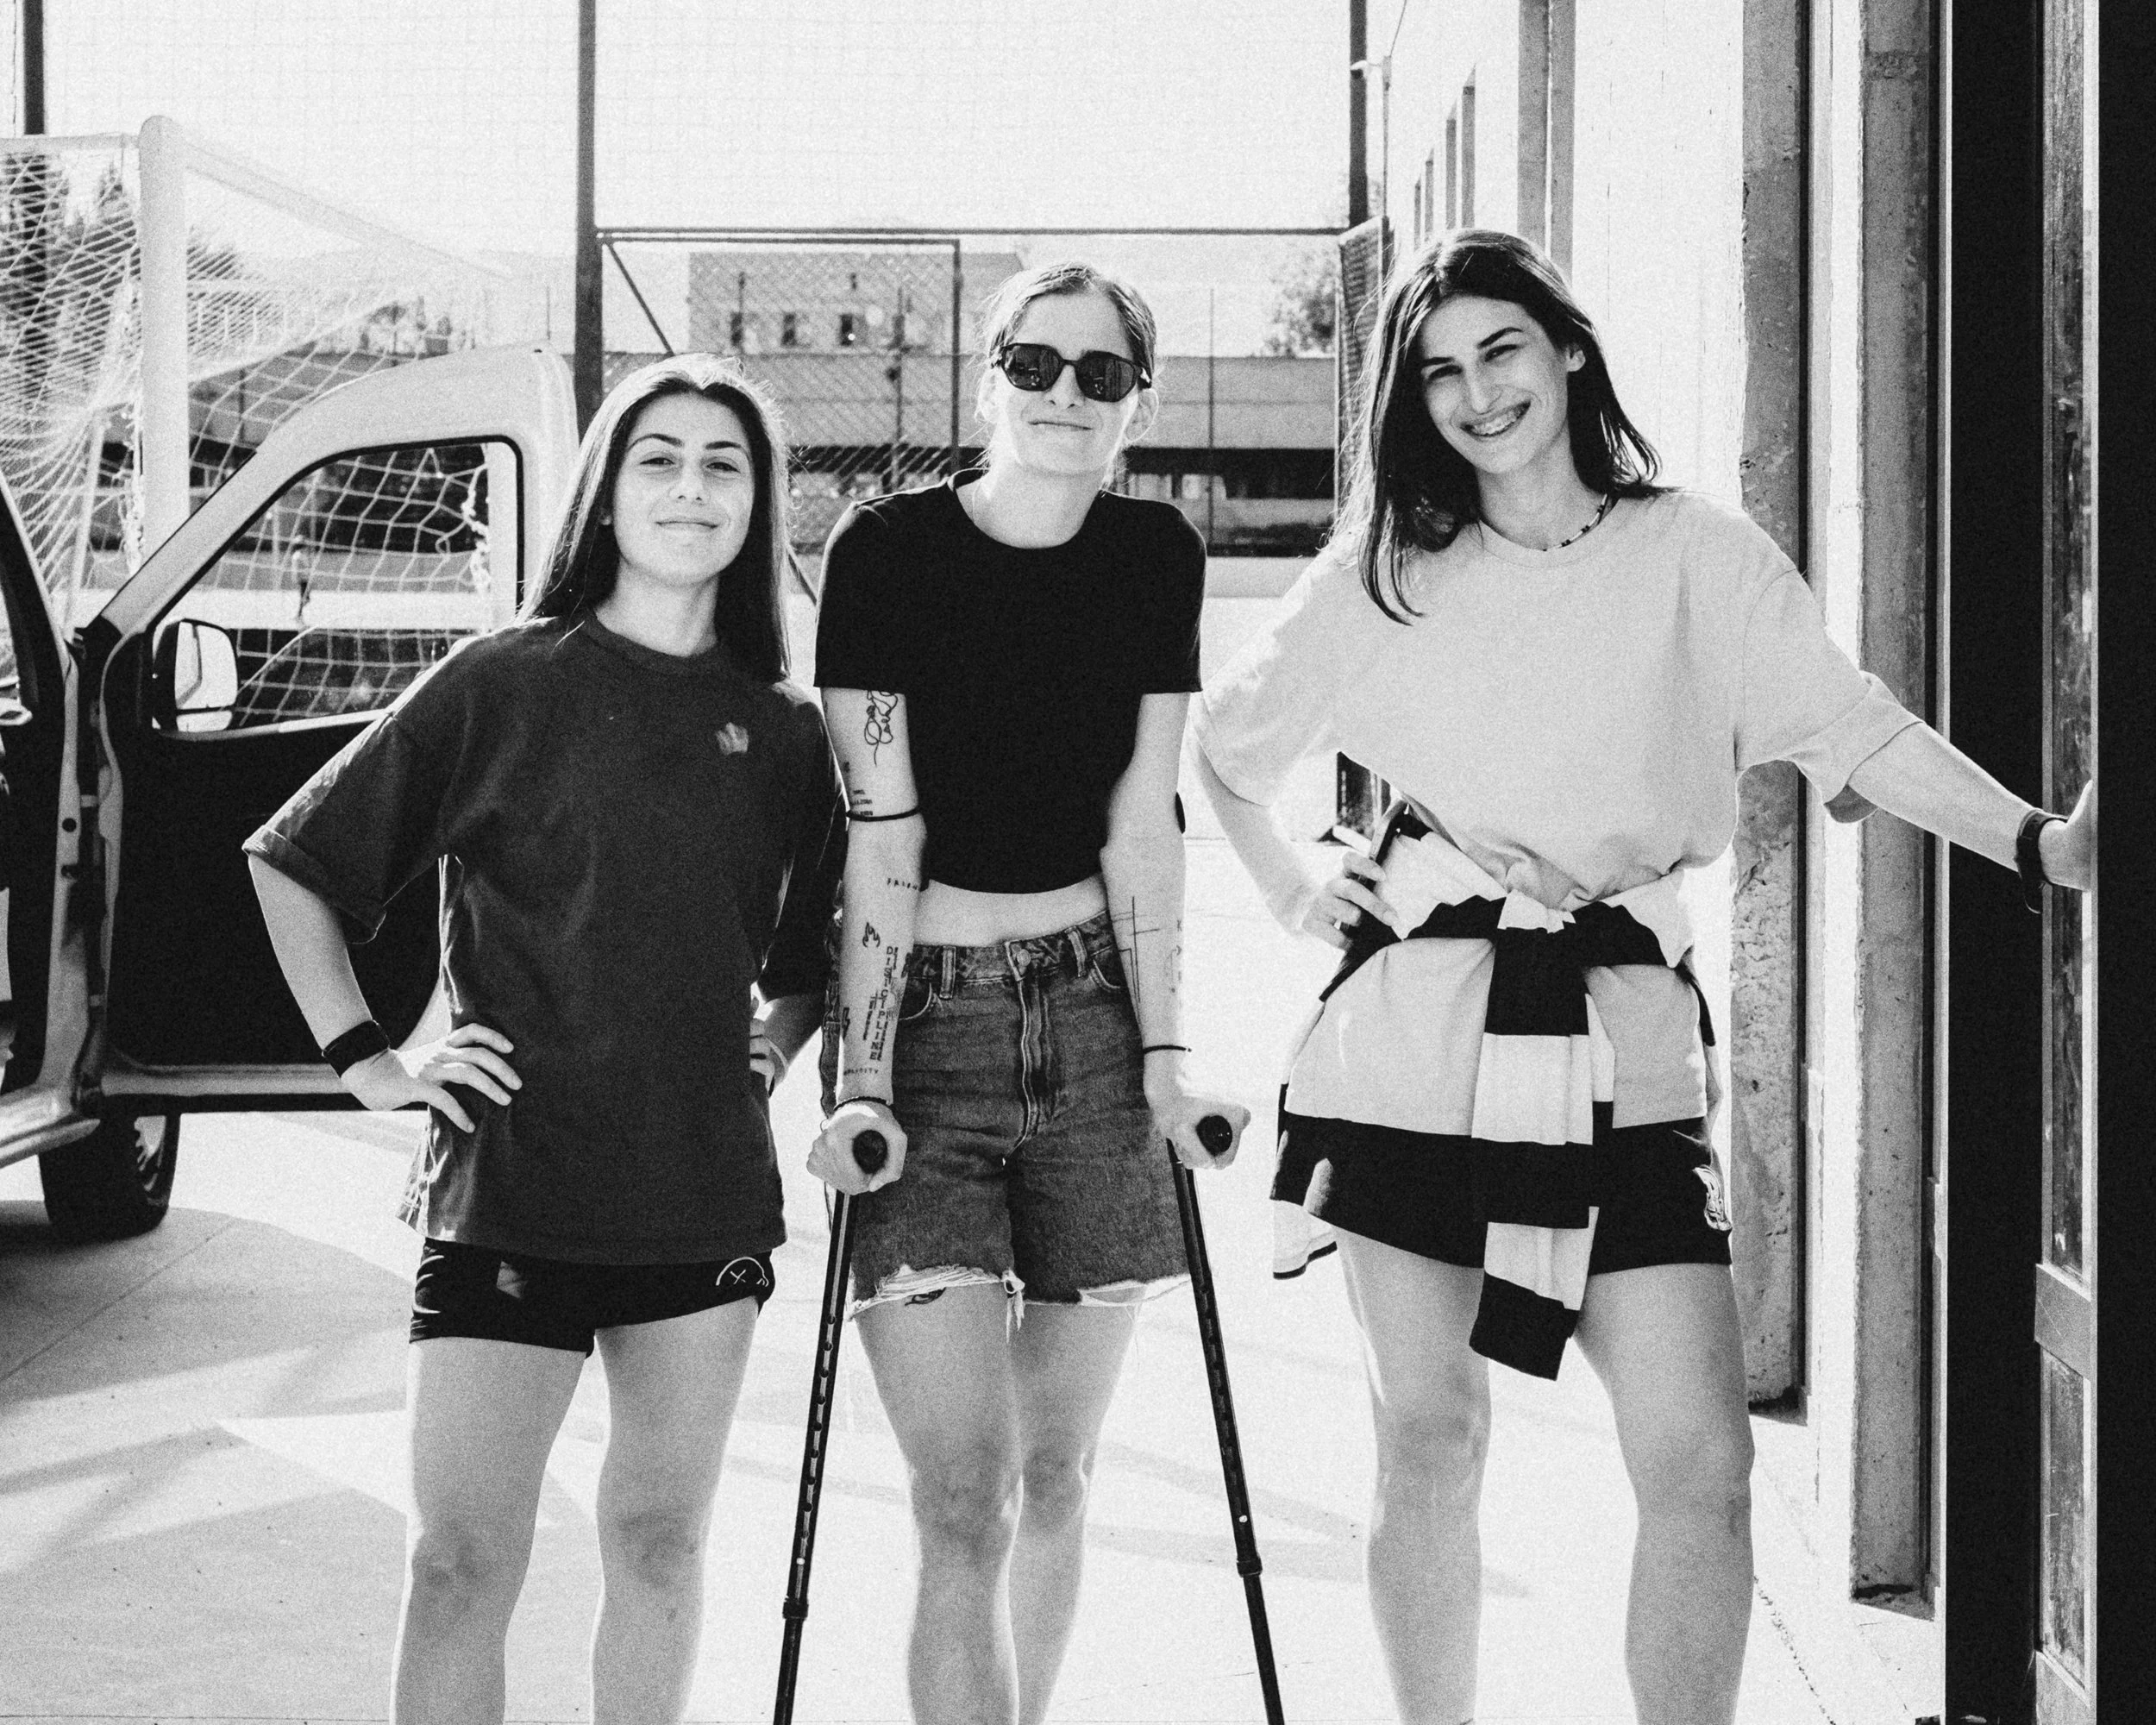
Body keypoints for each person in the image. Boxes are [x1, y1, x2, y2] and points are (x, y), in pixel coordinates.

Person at [1190, 229, 2095, 1725]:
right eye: (1440, 372)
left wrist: (2039, 843)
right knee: (1431, 1433)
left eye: (1503, 352)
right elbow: (1225, 755)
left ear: (1568, 351)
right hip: (1409, 1050)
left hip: (1624, 1056)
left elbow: (1854, 731)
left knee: (1702, 1466)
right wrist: (1296, 883)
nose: (1479, 395)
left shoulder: (1698, 555)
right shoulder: (1388, 575)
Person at [245, 354, 843, 1725]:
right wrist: (375, 1065)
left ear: (757, 505)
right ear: (605, 493)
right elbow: (295, 866)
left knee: (658, 1543)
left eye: (723, 463)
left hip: (696, 1200)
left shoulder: (789, 730)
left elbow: (813, 959)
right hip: (507, 1189)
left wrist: (773, 1048)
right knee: (459, 1563)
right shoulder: (504, 683)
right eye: (659, 459)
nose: (691, 488)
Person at [808, 260, 1251, 1725]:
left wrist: (1173, 1048)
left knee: (1055, 1473)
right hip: (926, 1029)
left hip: (1096, 1020)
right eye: (1036, 364)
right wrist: (864, 1076)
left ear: (1141, 395)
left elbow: (1145, 819)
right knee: (962, 1495)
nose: (1066, 395)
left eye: (1101, 373)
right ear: (990, 373)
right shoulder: (884, 553)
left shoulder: (1154, 558)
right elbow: (883, 834)